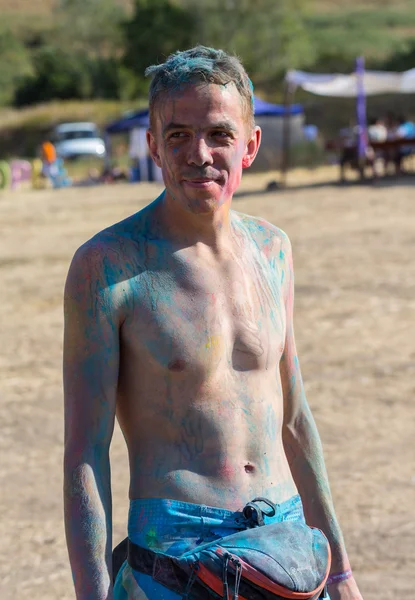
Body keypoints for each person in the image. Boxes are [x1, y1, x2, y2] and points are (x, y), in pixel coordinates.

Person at [63, 46, 363, 600]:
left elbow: (295, 419)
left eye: (218, 135)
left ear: (250, 145)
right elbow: (86, 448)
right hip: (175, 557)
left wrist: (341, 573)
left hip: (289, 551)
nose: (198, 154)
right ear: (153, 144)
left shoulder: (273, 251)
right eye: (177, 136)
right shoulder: (108, 266)